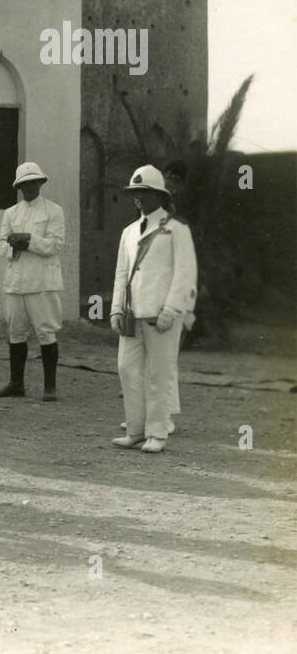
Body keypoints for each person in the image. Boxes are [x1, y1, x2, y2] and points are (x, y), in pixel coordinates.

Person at [110, 165, 197, 454]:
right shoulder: (129, 231)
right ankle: (135, 430)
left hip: (161, 315)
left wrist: (171, 310)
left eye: (145, 192)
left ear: (160, 195)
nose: (139, 198)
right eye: (135, 193)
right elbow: (122, 274)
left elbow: (185, 274)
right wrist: (116, 310)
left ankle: (157, 433)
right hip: (133, 313)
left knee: (159, 374)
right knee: (127, 370)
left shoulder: (177, 229)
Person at [0, 161, 65, 402]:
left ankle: (51, 387)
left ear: (41, 183)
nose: (29, 187)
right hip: (16, 281)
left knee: (46, 332)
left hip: (43, 282)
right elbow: (1, 244)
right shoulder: (10, 213)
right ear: (19, 186)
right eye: (25, 183)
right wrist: (13, 246)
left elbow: (55, 245)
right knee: (16, 332)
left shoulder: (54, 210)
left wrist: (29, 239)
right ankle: (16, 383)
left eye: (34, 182)